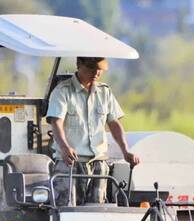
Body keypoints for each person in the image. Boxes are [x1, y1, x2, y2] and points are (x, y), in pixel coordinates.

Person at [46, 57, 140, 206]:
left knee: (97, 211)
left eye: (100, 69)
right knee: (66, 209)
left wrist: (125, 151)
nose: (96, 72)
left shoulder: (105, 92)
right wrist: (64, 147)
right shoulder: (63, 91)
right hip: (71, 163)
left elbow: (114, 123)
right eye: (91, 68)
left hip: (99, 163)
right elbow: (56, 122)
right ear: (79, 65)